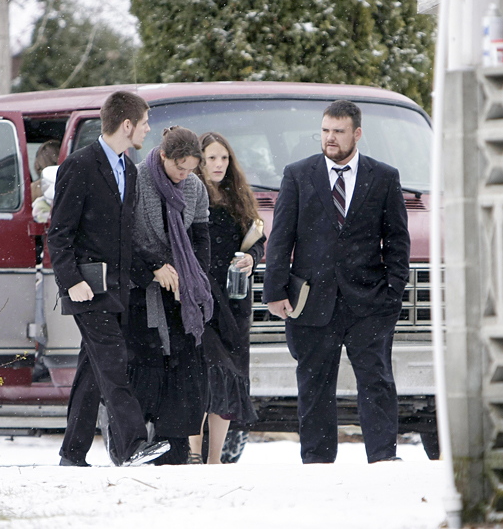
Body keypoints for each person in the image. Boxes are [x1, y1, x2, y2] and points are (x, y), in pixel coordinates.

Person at [262, 100, 410, 464]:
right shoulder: (298, 174)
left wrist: (393, 291)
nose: (330, 138)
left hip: (369, 302)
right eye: (326, 130)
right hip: (312, 300)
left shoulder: (384, 176)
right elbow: (281, 236)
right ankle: (316, 461)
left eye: (338, 131)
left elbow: (397, 240)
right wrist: (275, 291)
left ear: (356, 134)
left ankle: (383, 458)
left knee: (376, 382)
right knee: (314, 385)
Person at [47, 91, 169, 467]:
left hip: (115, 290)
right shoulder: (80, 165)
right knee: (115, 364)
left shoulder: (129, 170)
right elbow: (59, 233)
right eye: (145, 123)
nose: (149, 130)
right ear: (127, 124)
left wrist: (152, 267)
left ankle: (72, 453)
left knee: (92, 373)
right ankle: (133, 445)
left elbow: (125, 238)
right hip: (86, 288)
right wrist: (70, 281)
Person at [127, 126, 213, 465]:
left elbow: (200, 237)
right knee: (146, 366)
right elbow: (125, 237)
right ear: (163, 156)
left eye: (191, 168)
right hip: (141, 288)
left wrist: (193, 277)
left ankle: (175, 444)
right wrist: (154, 266)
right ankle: (138, 441)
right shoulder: (135, 181)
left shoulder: (194, 189)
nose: (185, 175)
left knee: (184, 367)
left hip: (181, 291)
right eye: (180, 167)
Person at [188, 132, 263, 464]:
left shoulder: (239, 196)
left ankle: (215, 458)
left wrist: (252, 258)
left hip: (235, 300)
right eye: (210, 158)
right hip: (202, 298)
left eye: (223, 158)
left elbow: (258, 239)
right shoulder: (190, 192)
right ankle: (192, 453)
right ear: (198, 162)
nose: (218, 165)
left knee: (230, 379)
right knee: (203, 376)